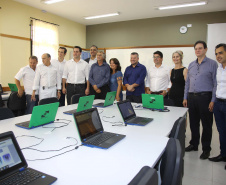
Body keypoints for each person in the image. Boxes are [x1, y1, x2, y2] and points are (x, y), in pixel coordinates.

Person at [183, 40, 218, 160]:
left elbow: (215, 83)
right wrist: (185, 97)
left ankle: (206, 149)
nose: (198, 50)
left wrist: (213, 100)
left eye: (200, 48)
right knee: (193, 123)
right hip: (192, 97)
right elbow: (187, 83)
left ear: (206, 49)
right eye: (196, 49)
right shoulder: (191, 65)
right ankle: (194, 144)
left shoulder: (212, 64)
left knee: (206, 125)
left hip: (205, 97)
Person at [208, 43, 226, 166]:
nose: (218, 56)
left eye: (220, 53)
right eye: (216, 54)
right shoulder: (219, 68)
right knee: (221, 131)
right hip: (219, 103)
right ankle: (223, 154)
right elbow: (216, 86)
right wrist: (213, 100)